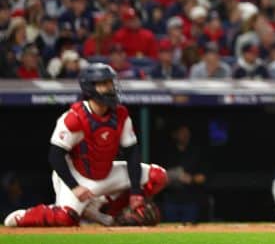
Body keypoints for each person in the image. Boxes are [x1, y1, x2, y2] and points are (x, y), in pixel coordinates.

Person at [5, 63, 167, 227]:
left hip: (107, 172)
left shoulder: (121, 115)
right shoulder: (74, 117)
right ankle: (24, 216)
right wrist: (75, 187)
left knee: (158, 176)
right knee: (65, 219)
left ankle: (110, 214)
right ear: (90, 88)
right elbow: (55, 156)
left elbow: (132, 154)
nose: (110, 88)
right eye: (104, 84)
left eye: (110, 83)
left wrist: (135, 193)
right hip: (77, 177)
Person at [161, 124, 206, 223]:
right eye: (182, 132)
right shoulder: (167, 152)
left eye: (187, 133)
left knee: (189, 231)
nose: (185, 135)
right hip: (171, 200)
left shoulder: (196, 152)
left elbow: (203, 177)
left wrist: (191, 178)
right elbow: (159, 175)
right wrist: (172, 176)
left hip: (190, 200)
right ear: (175, 134)